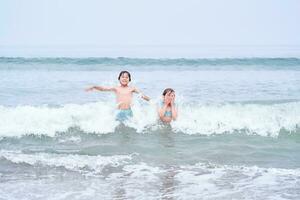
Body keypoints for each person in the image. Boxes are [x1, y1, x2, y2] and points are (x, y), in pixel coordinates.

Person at [85, 71, 150, 121]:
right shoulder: (116, 88)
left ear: (129, 80)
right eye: (122, 77)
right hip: (119, 111)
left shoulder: (132, 88)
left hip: (129, 111)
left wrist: (151, 101)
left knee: (129, 127)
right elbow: (103, 89)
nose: (124, 78)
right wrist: (94, 87)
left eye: (127, 77)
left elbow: (142, 95)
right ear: (119, 79)